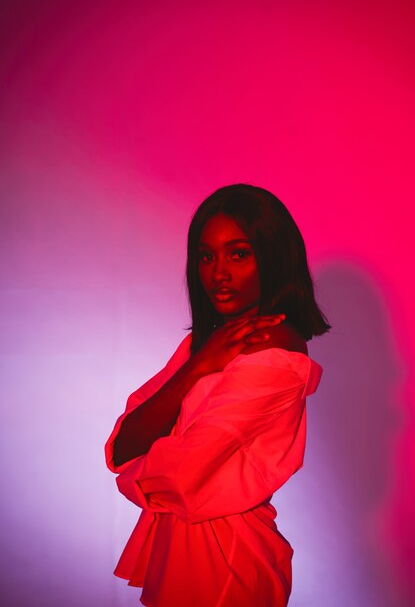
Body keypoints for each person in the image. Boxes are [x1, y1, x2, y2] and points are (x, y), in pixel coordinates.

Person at [105, 183, 330, 607]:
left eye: (238, 254)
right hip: (184, 547)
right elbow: (122, 445)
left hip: (227, 559)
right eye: (206, 256)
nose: (218, 273)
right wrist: (198, 366)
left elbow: (179, 475)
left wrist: (142, 468)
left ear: (273, 258)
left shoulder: (275, 353)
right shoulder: (208, 347)